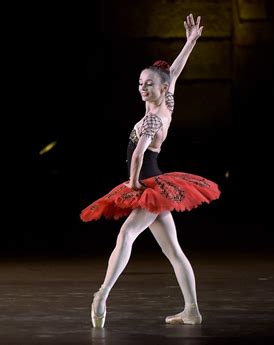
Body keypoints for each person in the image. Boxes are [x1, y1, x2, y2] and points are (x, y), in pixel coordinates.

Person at [80, 13, 220, 328]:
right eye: (140, 84)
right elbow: (174, 72)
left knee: (126, 234)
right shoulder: (165, 103)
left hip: (148, 185)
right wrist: (190, 42)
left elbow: (139, 155)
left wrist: (132, 184)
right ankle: (192, 310)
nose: (143, 89)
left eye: (148, 85)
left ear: (161, 87)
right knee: (173, 251)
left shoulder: (153, 118)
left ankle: (102, 295)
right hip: (156, 184)